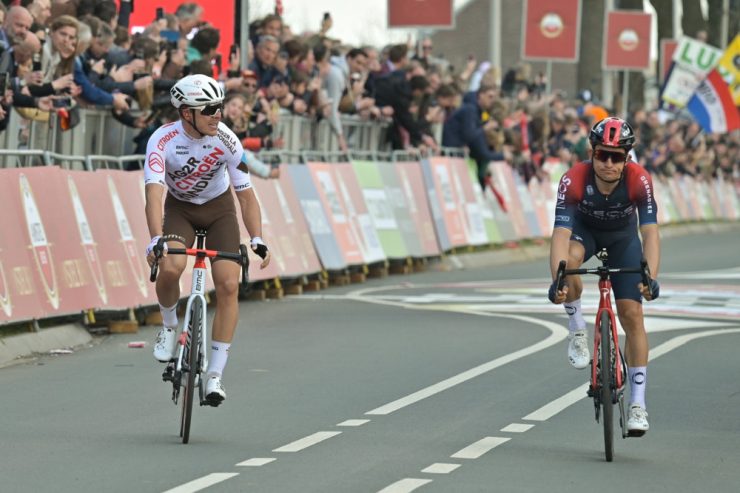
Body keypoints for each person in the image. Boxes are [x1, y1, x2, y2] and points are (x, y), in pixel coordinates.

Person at [144, 74, 271, 406]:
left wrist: (257, 237)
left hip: (219, 210)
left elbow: (245, 194)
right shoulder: (162, 140)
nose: (219, 115)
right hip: (180, 209)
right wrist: (155, 239)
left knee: (229, 284)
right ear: (187, 113)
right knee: (170, 266)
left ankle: (214, 374)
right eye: (211, 109)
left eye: (221, 107)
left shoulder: (227, 140)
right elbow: (154, 196)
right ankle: (170, 327)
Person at [548, 116, 660, 436]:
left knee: (632, 313)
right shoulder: (573, 179)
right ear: (592, 152)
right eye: (602, 155)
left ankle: (638, 403)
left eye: (617, 157)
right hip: (585, 234)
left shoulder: (640, 179)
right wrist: (558, 280)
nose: (609, 163)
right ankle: (577, 329)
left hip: (623, 239)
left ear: (627, 158)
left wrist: (650, 276)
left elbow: (650, 233)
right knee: (569, 261)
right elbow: (560, 234)